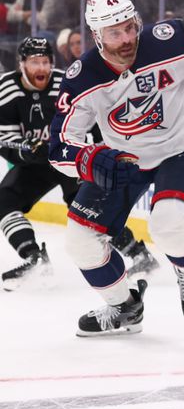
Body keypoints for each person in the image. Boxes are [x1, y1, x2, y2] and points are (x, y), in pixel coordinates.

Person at [48, 0, 184, 336]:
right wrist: (90, 159)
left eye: (130, 27)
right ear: (97, 36)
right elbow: (59, 146)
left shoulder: (166, 41)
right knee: (79, 241)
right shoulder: (81, 78)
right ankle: (124, 307)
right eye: (115, 33)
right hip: (126, 160)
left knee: (169, 225)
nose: (127, 39)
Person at [0, 37, 157, 291]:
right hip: (36, 163)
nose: (41, 68)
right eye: (34, 62)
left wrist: (95, 151)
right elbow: (6, 141)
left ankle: (139, 255)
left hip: (70, 157)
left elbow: (93, 118)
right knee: (4, 201)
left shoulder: (66, 82)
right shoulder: (6, 89)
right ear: (21, 65)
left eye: (45, 62)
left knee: (87, 210)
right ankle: (34, 258)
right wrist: (25, 154)